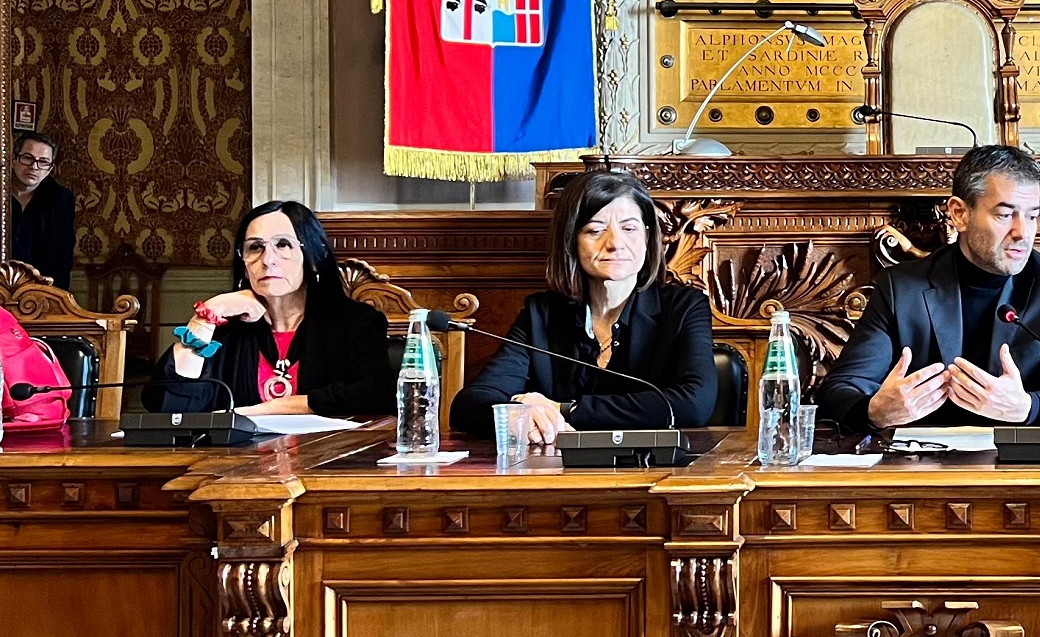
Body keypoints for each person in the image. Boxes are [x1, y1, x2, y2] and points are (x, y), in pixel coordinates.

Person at [816, 144, 1040, 434]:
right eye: (1005, 215)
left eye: (1032, 216)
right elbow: (838, 391)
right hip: (921, 464)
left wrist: (1027, 408)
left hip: (1014, 465)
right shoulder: (901, 288)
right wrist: (874, 411)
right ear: (959, 214)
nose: (1023, 233)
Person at [449, 171, 717, 442]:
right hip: (557, 473)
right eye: (595, 230)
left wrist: (565, 409)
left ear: (648, 237)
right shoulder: (541, 313)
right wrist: (517, 414)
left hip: (651, 469)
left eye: (629, 228)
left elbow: (693, 404)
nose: (614, 244)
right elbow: (469, 405)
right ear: (571, 240)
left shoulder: (683, 307)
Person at [144, 201, 395, 417]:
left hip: (325, 464)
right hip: (236, 466)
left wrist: (267, 409)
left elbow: (375, 394)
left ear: (314, 258)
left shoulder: (355, 323)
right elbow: (168, 403)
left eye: (283, 245)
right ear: (244, 264)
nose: (267, 260)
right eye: (255, 247)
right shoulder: (227, 332)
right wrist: (208, 313)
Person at [9, 131, 75, 290]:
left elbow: (63, 255)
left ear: (50, 167)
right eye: (28, 158)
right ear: (14, 159)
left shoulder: (60, 199)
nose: (34, 167)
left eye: (43, 162)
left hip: (41, 291)